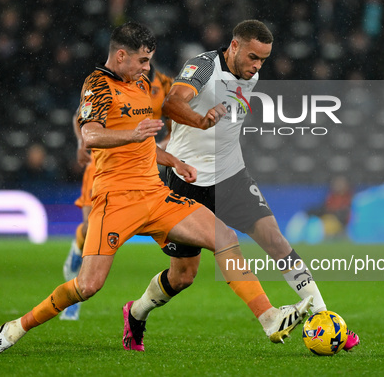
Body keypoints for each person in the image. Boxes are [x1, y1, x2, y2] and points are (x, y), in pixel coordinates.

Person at [0, 22, 311, 355]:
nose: (148, 68)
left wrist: (172, 160)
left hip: (155, 193)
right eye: (143, 61)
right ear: (121, 56)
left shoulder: (138, 82)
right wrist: (134, 134)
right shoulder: (98, 85)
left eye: (149, 61)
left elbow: (145, 142)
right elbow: (91, 135)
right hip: (116, 199)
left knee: (224, 238)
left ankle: (269, 317)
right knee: (87, 285)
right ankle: (14, 328)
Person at [124, 20, 359, 351]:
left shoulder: (252, 74)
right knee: (183, 276)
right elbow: (172, 103)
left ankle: (323, 317)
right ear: (233, 47)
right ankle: (136, 313)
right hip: (185, 181)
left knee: (276, 241)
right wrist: (200, 120)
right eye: (252, 57)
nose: (257, 66)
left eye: (263, 59)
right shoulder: (203, 67)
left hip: (232, 177)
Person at [60, 65, 174, 321]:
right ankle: (76, 264)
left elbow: (175, 123)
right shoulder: (112, 83)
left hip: (139, 167)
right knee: (90, 228)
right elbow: (82, 115)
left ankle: (76, 291)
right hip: (105, 161)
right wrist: (81, 141)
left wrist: (158, 148)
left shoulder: (166, 85)